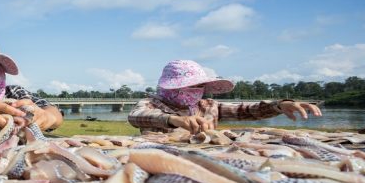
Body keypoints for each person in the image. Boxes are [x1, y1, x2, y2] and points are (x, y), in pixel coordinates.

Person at [128, 59, 322, 134]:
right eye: (188, 87)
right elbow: (136, 116)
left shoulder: (210, 105)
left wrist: (279, 105)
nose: (194, 92)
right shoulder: (152, 103)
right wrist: (175, 120)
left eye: (199, 87)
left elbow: (246, 110)